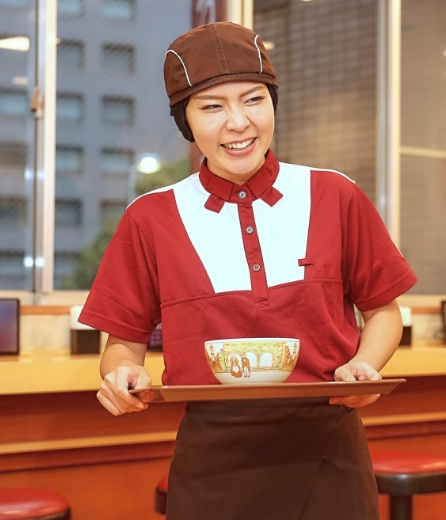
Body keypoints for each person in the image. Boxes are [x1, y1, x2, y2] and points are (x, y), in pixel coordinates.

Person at [81, 22, 416, 520]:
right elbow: (124, 346)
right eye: (212, 106)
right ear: (185, 122)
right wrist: (122, 374)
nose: (238, 123)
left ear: (273, 104)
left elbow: (383, 311)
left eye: (254, 99)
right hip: (213, 457)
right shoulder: (150, 217)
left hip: (329, 446)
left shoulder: (334, 194)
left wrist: (366, 366)